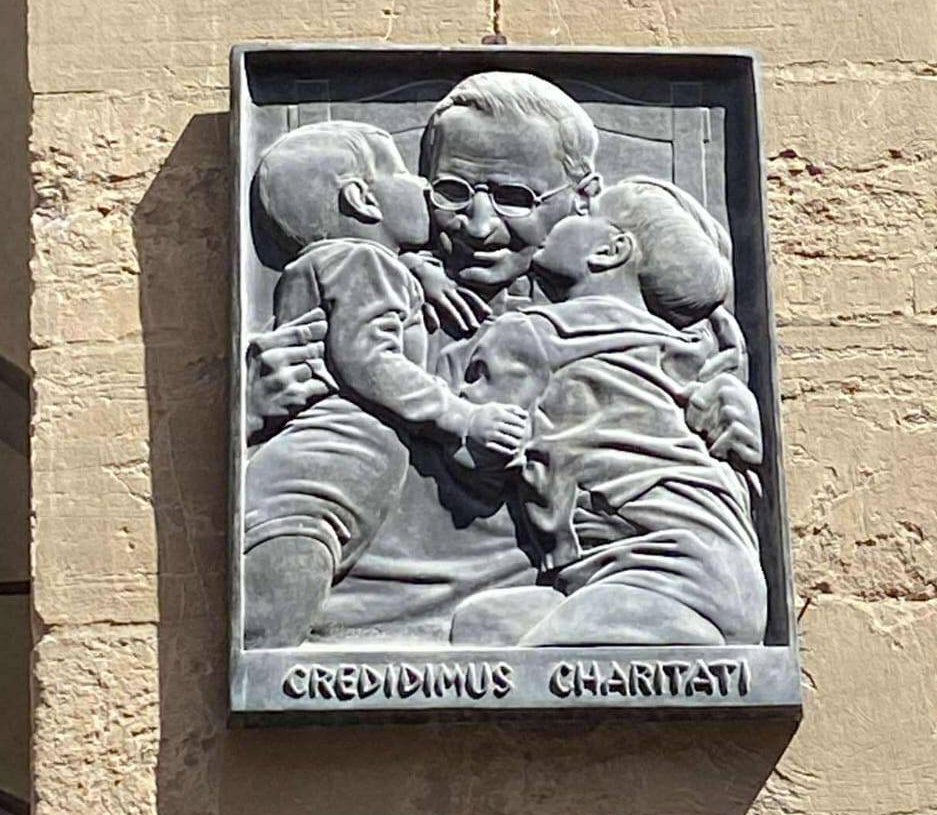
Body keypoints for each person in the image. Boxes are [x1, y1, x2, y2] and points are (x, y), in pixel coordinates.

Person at [244, 73, 765, 643]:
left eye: (515, 197)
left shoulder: (636, 325)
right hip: (362, 623)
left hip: (598, 608)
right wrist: (247, 411)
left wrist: (738, 437)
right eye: (452, 192)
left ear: (584, 199)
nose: (480, 226)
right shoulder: (374, 303)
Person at [241, 121, 528, 648]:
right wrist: (462, 418)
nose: (421, 186)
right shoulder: (362, 261)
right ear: (362, 199)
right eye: (401, 172)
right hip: (316, 481)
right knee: (274, 622)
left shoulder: (343, 262)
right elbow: (370, 360)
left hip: (334, 479)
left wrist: (418, 271)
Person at [448, 179, 768, 648]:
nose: (568, 213)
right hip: (716, 571)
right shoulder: (681, 350)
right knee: (479, 627)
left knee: (528, 666)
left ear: (610, 250)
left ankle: (696, 646)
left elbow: (467, 455)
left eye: (585, 212)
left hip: (665, 575)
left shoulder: (535, 334)